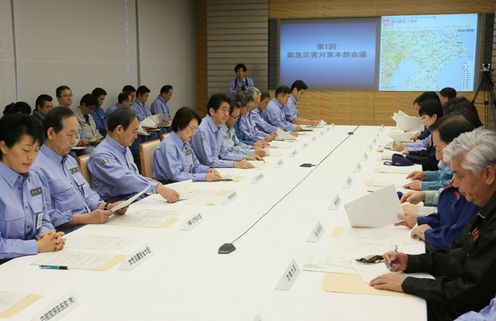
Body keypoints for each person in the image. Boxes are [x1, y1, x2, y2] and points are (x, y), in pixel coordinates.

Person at [370, 127, 496, 321]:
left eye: (460, 175)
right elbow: (458, 257)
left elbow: (469, 291)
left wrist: (407, 284)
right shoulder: (485, 203)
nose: (454, 183)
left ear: (488, 174)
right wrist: (411, 261)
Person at [31, 108, 125, 233]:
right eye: (70, 135)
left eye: (77, 135)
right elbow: (46, 216)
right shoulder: (36, 168)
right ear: (51, 133)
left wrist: (107, 206)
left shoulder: (69, 160)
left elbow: (88, 194)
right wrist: (85, 218)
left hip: (91, 223)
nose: (74, 140)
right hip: (70, 231)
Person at [395, 115, 478, 251]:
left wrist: (423, 220)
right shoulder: (463, 173)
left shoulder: (472, 186)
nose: (437, 157)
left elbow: (456, 236)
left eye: (439, 149)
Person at [0, 113, 64, 261]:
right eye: (26, 150)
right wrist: (36, 246)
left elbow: (44, 220)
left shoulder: (34, 178)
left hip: (33, 259)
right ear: (4, 146)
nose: (32, 157)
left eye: (36, 150)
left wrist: (49, 235)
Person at [88, 108, 179, 203]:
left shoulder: (124, 148)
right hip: (117, 204)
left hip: (134, 196)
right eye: (134, 131)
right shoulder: (100, 155)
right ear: (119, 129)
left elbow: (135, 176)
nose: (136, 136)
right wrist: (157, 187)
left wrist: (156, 185)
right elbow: (126, 179)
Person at [153, 107, 221, 183]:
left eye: (196, 129)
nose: (194, 133)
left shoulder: (186, 143)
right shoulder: (168, 146)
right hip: (171, 187)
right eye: (192, 129)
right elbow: (176, 176)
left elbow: (196, 167)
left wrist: (208, 170)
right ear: (180, 125)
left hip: (187, 183)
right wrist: (204, 176)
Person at [191, 94, 255, 169]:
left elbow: (224, 153)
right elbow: (209, 162)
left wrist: (245, 157)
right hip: (204, 173)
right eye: (223, 110)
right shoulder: (202, 130)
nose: (226, 114)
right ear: (212, 111)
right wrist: (234, 164)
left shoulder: (218, 127)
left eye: (228, 111)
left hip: (213, 169)